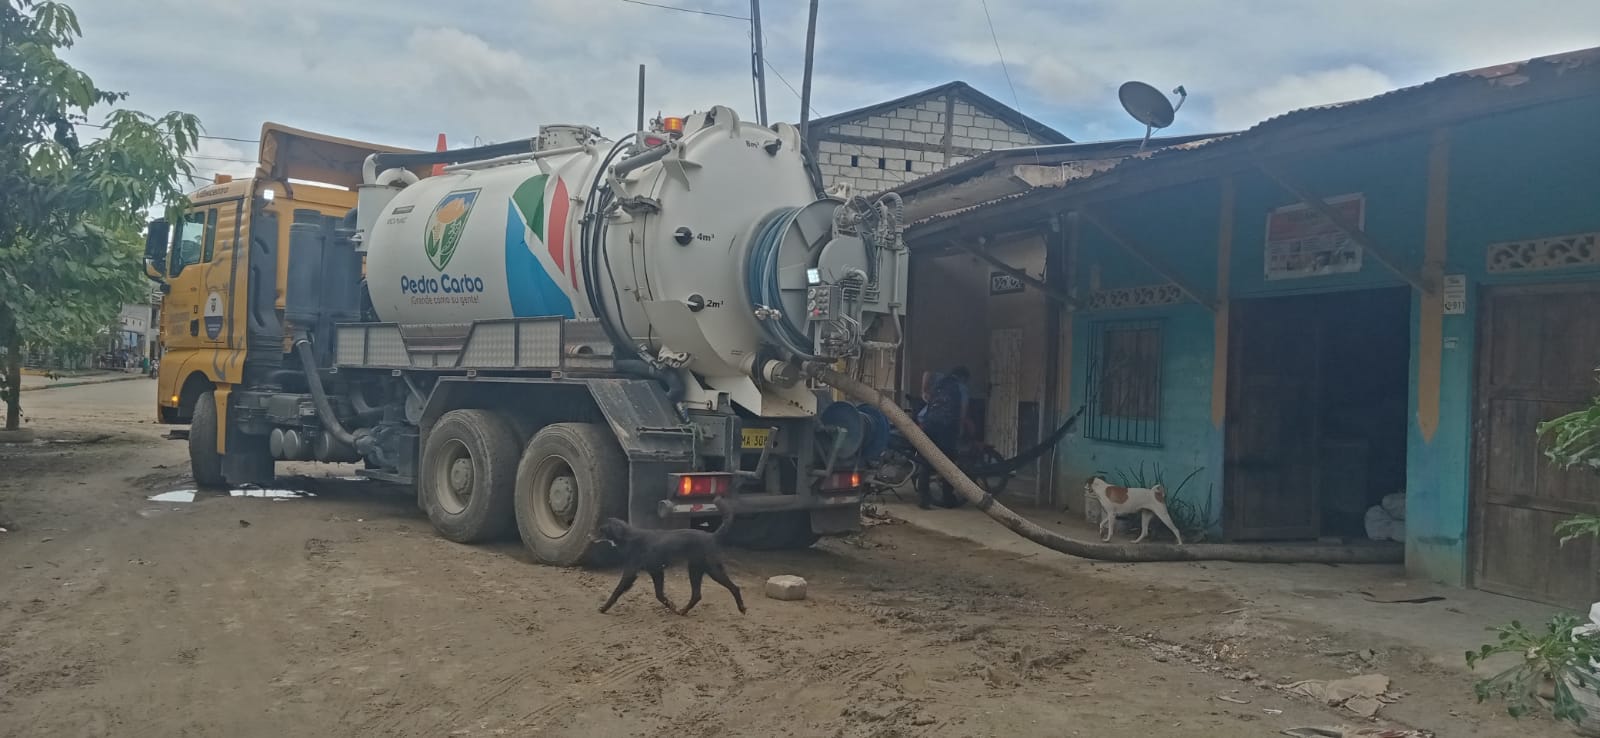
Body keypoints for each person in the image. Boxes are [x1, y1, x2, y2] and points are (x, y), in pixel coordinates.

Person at [915, 368, 964, 510]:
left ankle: (924, 498)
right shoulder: (959, 387)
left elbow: (926, 373)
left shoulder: (939, 383)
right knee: (947, 465)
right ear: (962, 378)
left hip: (930, 426)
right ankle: (948, 498)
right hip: (947, 429)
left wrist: (924, 391)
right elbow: (962, 411)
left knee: (926, 462)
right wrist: (960, 430)